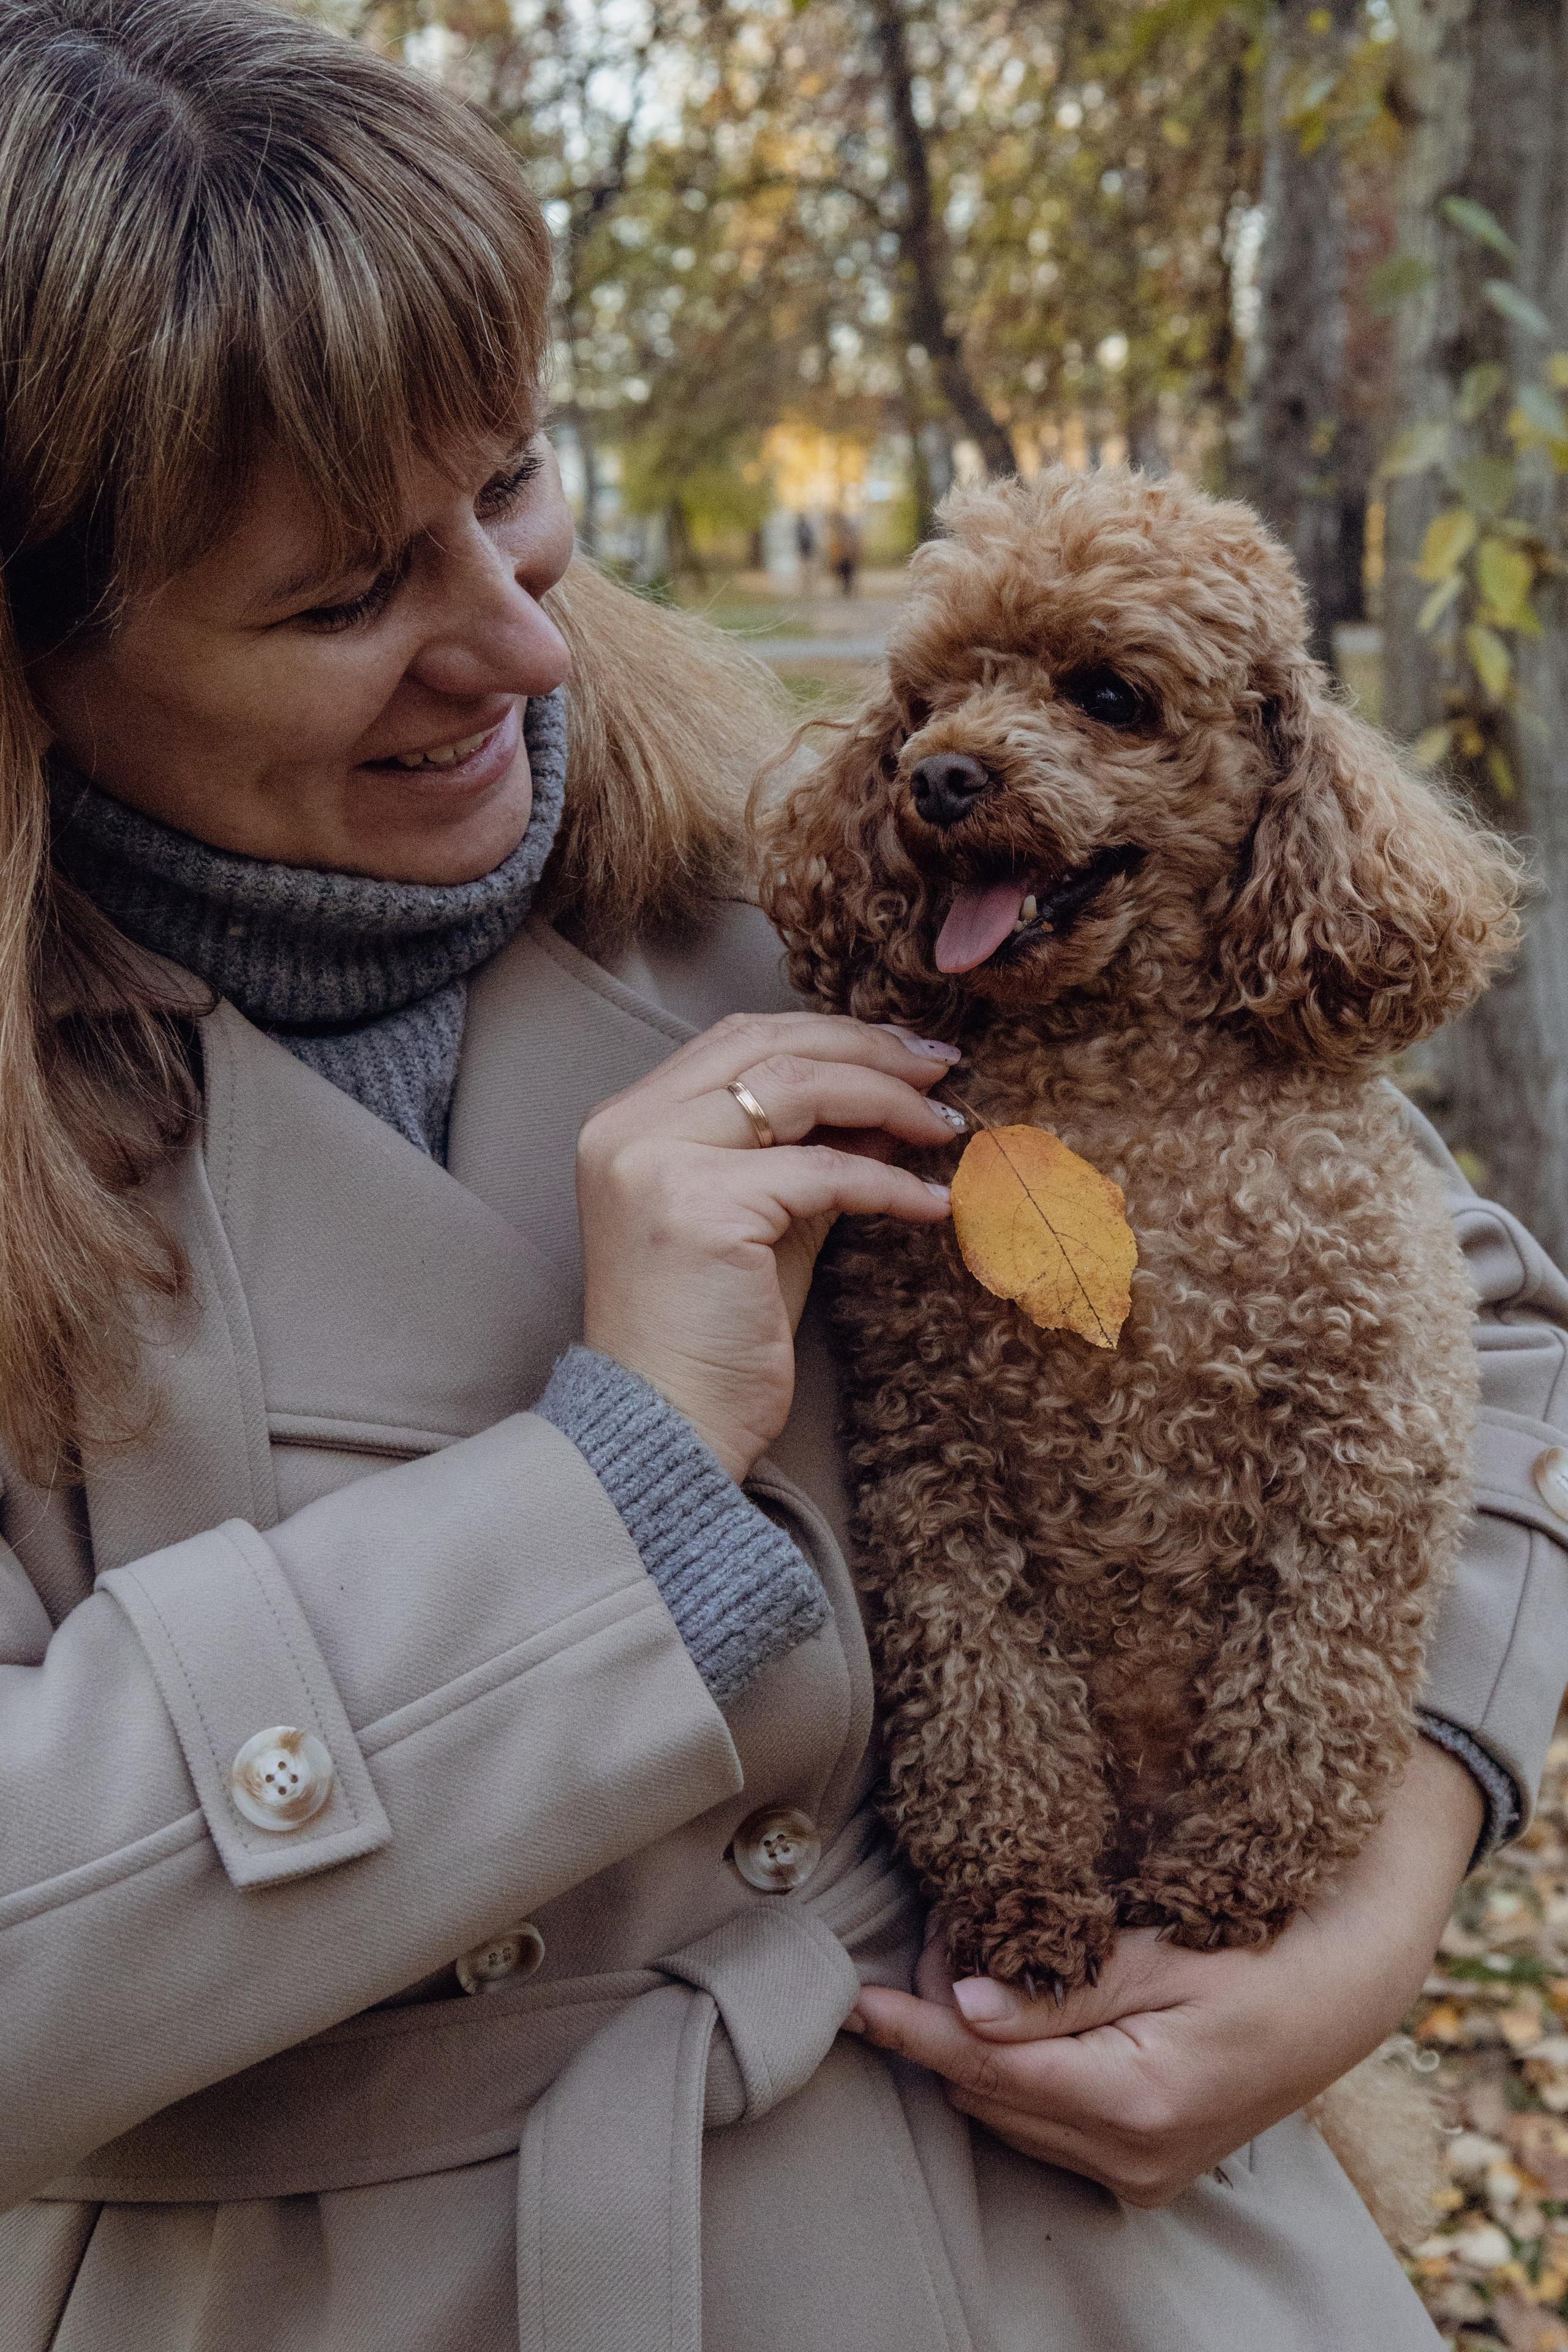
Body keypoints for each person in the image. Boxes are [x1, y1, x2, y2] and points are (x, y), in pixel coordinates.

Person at [0, 6, 1564, 2349]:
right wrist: (607, 1488)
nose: (523, 643)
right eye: (345, 599)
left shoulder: (849, 867)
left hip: (1108, 2267)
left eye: (515, 483)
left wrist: (1388, 1876)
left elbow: (1476, 1321)